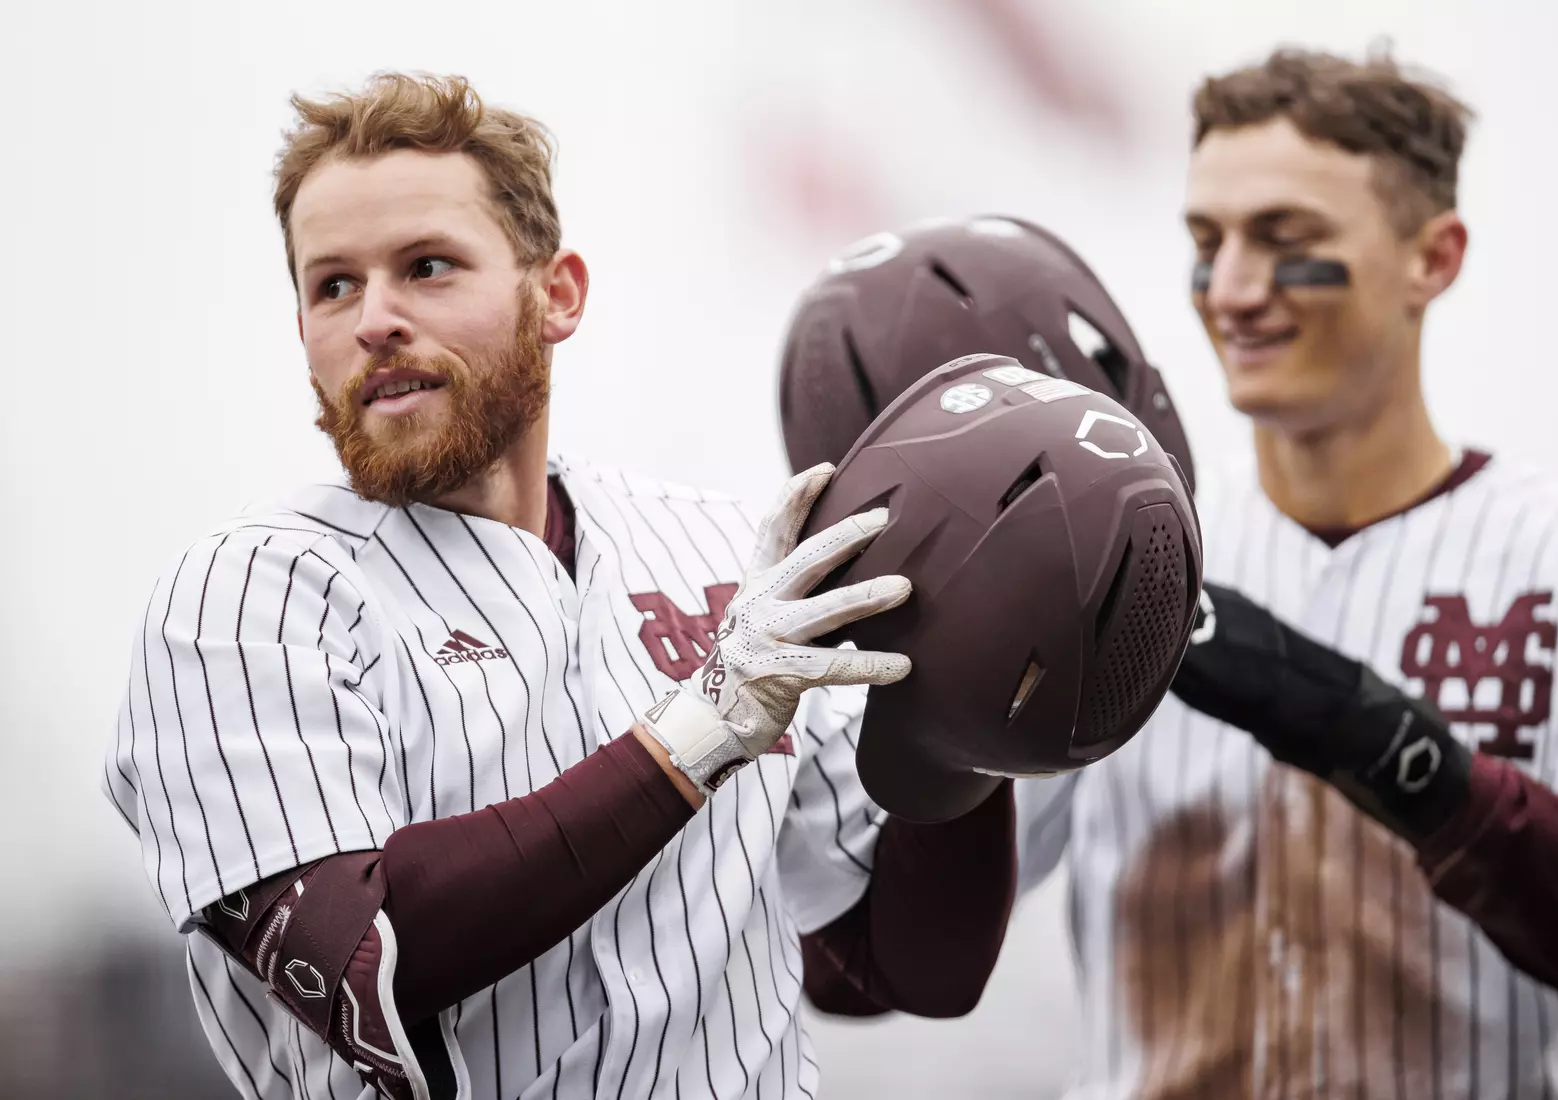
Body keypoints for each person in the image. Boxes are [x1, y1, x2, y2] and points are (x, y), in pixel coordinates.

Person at [100, 72, 1019, 1100]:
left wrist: (972, 706)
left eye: (428, 266)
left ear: (558, 293)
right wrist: (703, 725)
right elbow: (368, 958)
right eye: (334, 285)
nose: (376, 319)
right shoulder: (244, 601)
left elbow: (911, 965)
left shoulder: (723, 548)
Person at [776, 47, 1558, 1100]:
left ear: (1434, 256)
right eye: (1207, 241)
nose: (1232, 288)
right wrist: (931, 697)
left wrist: (1382, 740)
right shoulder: (1094, 548)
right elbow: (866, 966)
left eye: (1288, 240)